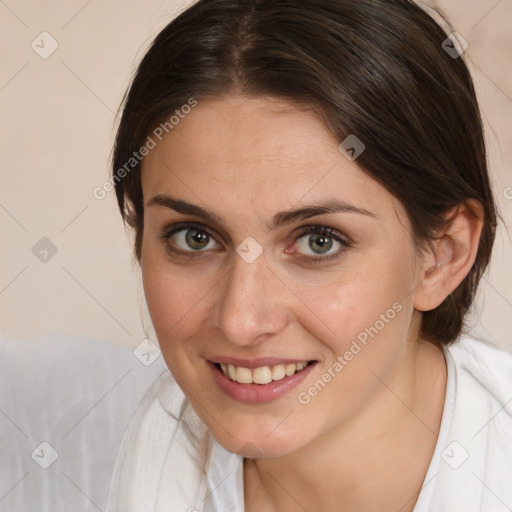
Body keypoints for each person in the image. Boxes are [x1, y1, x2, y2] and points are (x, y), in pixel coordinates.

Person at [105, 0, 512, 510]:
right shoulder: (163, 448)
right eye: (195, 237)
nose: (239, 322)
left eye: (320, 241)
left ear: (442, 256)